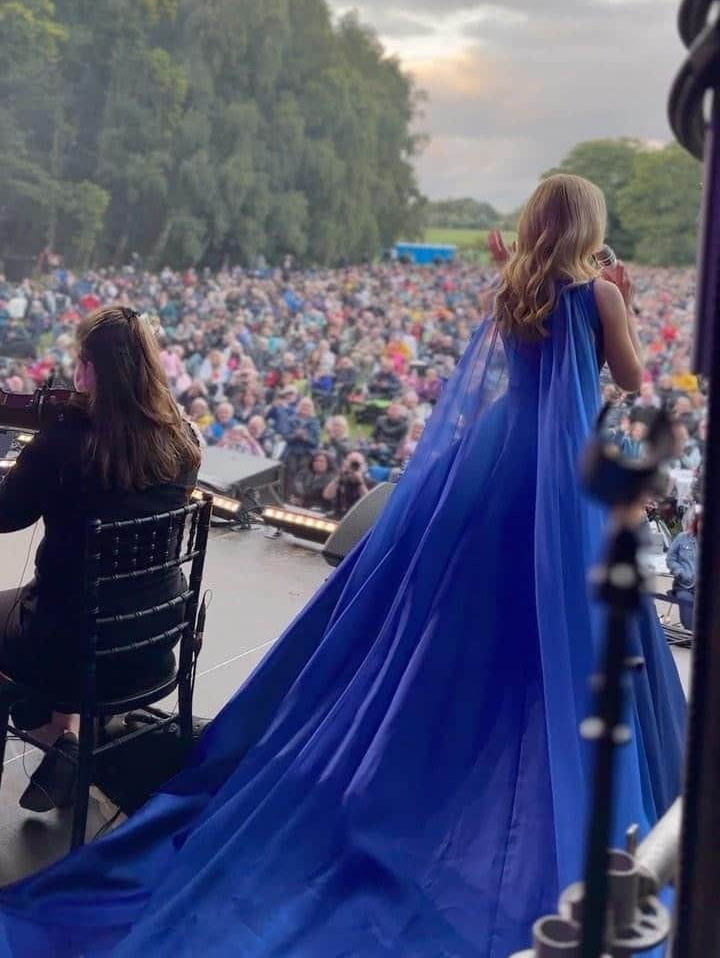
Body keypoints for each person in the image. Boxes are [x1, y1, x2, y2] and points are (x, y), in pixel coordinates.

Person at [0, 177, 685, 958]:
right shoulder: (600, 295)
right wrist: (617, 304)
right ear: (592, 226)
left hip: (494, 465)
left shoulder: (512, 291)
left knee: (462, 617)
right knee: (564, 623)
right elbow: (627, 384)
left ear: (534, 223)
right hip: (563, 477)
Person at [0, 306, 201, 815]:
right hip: (151, 642)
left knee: (41, 618)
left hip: (76, 651)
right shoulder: (183, 442)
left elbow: (5, 515)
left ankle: (53, 738)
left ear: (89, 368)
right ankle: (58, 742)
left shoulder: (65, 446)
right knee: (69, 609)